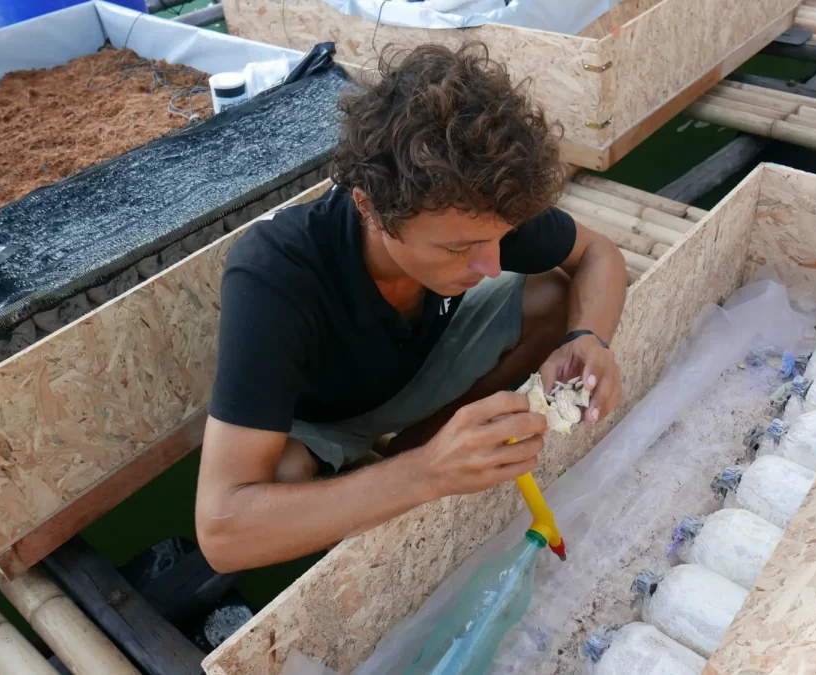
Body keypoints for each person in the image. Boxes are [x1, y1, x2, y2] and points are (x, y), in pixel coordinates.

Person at [195, 42, 628, 573]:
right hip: (323, 421)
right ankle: (411, 469)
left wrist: (589, 339)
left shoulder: (481, 207)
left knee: (555, 301)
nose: (491, 264)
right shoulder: (275, 272)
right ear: (369, 208)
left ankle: (418, 446)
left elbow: (600, 253)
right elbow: (220, 532)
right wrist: (427, 474)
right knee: (282, 475)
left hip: (419, 373)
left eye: (501, 238)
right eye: (457, 249)